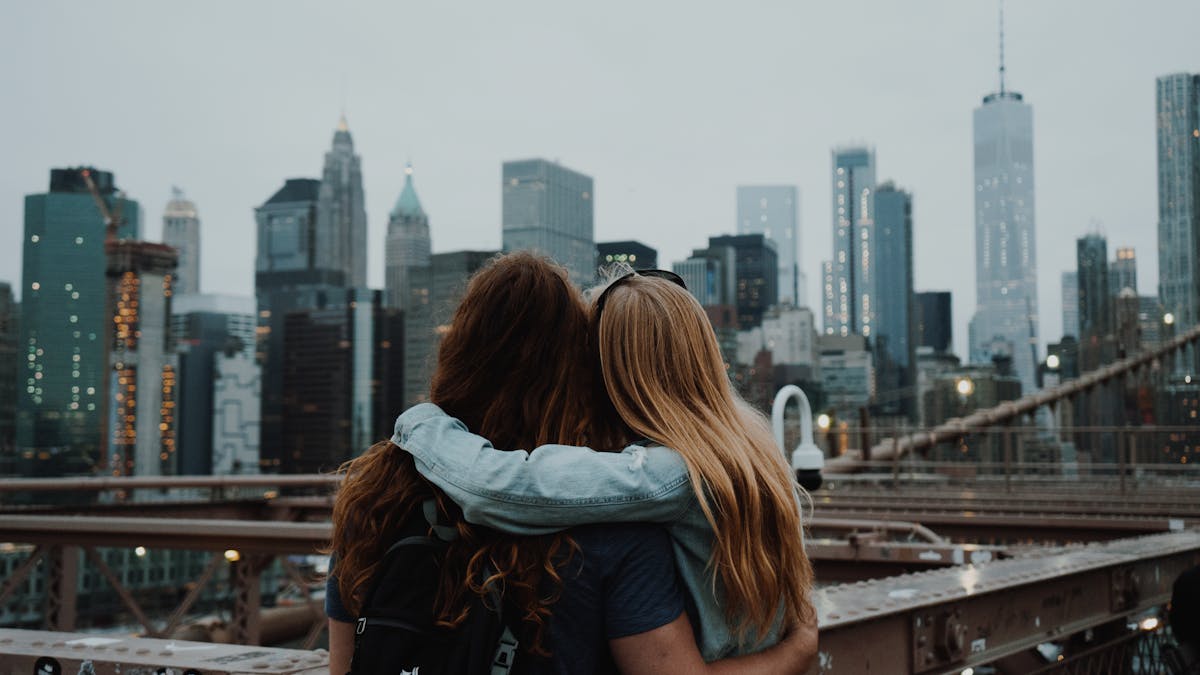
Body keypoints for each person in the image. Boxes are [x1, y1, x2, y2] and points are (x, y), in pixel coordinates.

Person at [328, 254, 816, 674]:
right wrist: (799, 647)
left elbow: (499, 488)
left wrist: (420, 425)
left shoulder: (371, 495)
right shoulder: (754, 456)